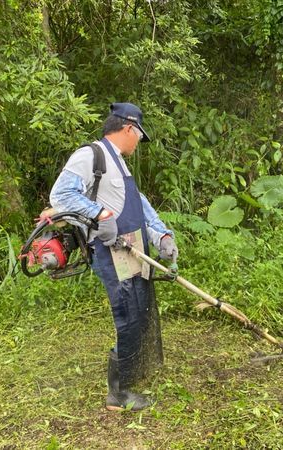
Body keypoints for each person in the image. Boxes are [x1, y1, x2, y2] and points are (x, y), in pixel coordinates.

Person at [49, 102, 178, 411]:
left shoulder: (118, 161)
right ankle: (117, 394)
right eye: (139, 135)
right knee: (128, 316)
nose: (139, 142)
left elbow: (137, 203)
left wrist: (160, 234)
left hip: (133, 248)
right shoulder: (91, 155)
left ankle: (132, 372)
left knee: (139, 309)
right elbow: (62, 194)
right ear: (129, 128)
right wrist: (99, 214)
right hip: (113, 251)